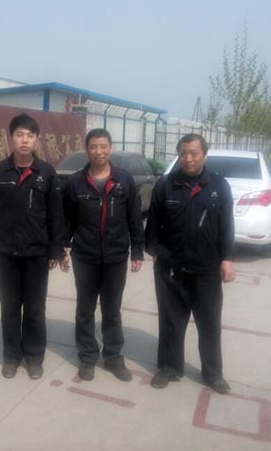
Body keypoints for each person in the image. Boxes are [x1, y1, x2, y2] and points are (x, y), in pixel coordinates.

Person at [145, 133, 235, 394]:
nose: (188, 158)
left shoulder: (219, 186)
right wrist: (155, 251)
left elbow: (227, 226)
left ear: (204, 154)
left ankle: (213, 374)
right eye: (183, 153)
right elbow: (153, 224)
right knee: (171, 321)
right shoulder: (165, 185)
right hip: (171, 268)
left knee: (209, 323)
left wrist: (227, 258)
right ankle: (168, 368)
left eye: (194, 153)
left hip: (207, 269)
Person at [0, 113, 65, 379]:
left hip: (36, 253)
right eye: (20, 135)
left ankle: (34, 357)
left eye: (30, 135)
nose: (25, 140)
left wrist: (56, 249)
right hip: (6, 253)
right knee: (9, 308)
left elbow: (55, 214)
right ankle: (11, 357)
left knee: (35, 309)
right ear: (11, 138)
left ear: (37, 139)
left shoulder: (47, 173)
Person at [61, 129, 144, 382]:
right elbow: (66, 220)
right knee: (85, 310)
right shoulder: (75, 183)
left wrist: (137, 251)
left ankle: (113, 357)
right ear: (87, 150)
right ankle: (87, 357)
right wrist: (63, 248)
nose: (99, 151)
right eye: (93, 147)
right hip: (84, 257)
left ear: (110, 148)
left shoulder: (124, 180)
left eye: (103, 146)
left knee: (112, 311)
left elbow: (134, 218)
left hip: (116, 257)